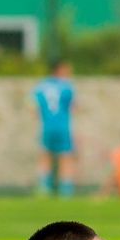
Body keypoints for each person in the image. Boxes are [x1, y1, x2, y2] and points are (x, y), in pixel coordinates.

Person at [32, 60, 77, 196]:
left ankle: (44, 187)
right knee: (66, 157)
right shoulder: (67, 87)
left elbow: (34, 109)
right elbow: (73, 107)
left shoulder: (41, 86)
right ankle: (66, 189)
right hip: (62, 126)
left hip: (47, 126)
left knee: (45, 155)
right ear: (60, 70)